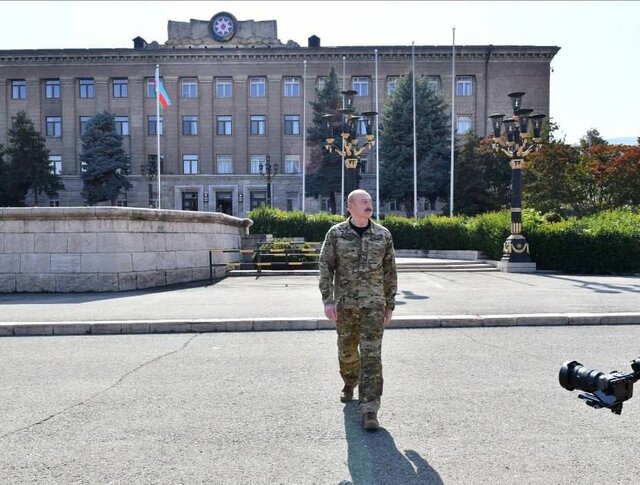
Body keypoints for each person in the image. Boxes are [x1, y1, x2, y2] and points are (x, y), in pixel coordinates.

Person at [318, 189, 397, 431]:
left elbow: (389, 272)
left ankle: (370, 409)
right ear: (350, 206)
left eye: (370, 201)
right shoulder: (336, 233)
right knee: (347, 351)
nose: (369, 204)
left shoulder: (383, 235)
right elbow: (325, 266)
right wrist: (328, 300)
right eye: (363, 201)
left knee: (372, 356)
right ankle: (349, 381)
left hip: (373, 306)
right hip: (346, 306)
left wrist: (390, 304)